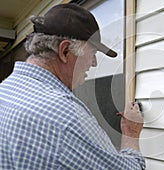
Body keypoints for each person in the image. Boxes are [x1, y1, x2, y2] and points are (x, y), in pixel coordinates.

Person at [0, 3, 145, 170]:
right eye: (92, 53)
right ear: (65, 51)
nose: (94, 62)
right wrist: (131, 134)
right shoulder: (64, 117)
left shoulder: (6, 90)